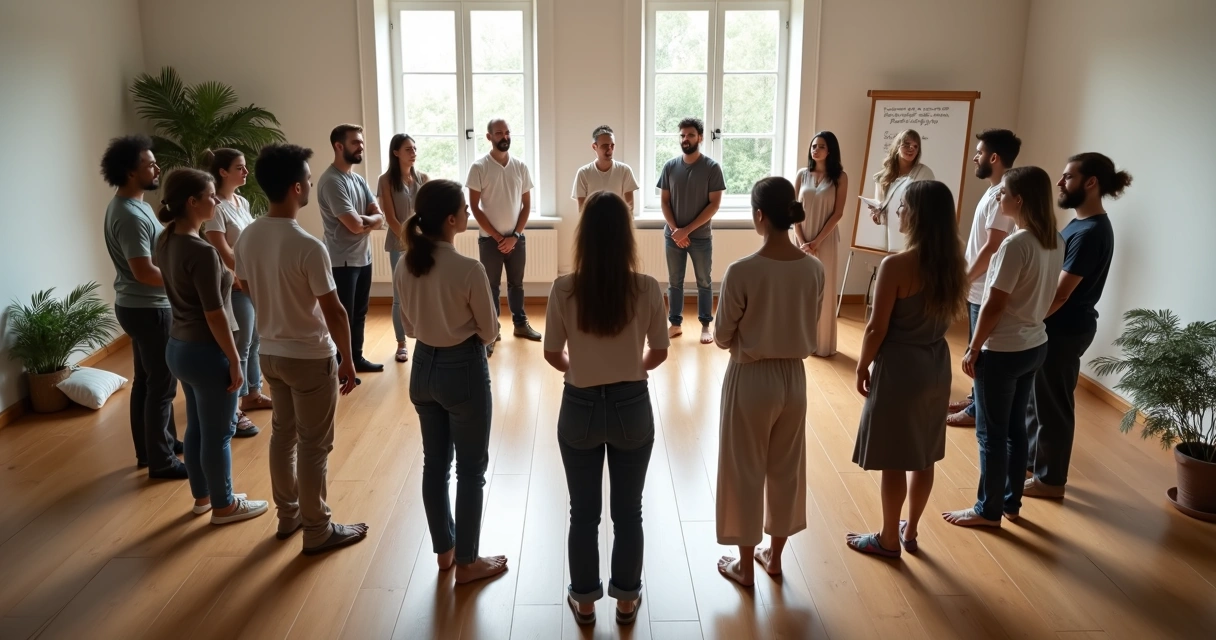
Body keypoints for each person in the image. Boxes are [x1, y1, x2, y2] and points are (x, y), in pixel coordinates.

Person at [235, 143, 369, 554]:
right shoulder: (308, 245)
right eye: (309, 180)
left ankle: (288, 514)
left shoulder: (248, 236)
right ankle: (318, 529)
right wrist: (348, 360)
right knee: (314, 445)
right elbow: (335, 311)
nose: (311, 184)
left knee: (283, 435)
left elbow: (244, 286)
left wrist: (276, 310)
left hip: (270, 354)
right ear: (296, 188)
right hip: (309, 356)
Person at [543, 192, 668, 626]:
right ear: (626, 237)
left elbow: (552, 353)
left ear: (583, 236)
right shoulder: (647, 287)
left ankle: (585, 602)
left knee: (583, 513)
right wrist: (632, 367)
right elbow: (660, 351)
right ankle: (626, 601)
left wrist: (578, 369)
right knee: (629, 511)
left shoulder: (564, 288)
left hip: (579, 406)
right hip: (632, 405)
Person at [395, 179, 508, 584]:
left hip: (423, 367)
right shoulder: (469, 269)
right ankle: (468, 562)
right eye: (464, 208)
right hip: (463, 370)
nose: (467, 212)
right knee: (471, 471)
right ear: (450, 220)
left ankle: (444, 551)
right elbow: (490, 331)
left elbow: (409, 326)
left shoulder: (405, 264)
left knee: (435, 465)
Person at [847, 181, 968, 557]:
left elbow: (876, 328)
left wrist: (862, 366)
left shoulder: (896, 265)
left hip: (900, 368)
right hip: (936, 365)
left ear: (916, 215)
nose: (897, 212)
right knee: (923, 453)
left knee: (894, 458)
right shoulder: (954, 263)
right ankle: (910, 529)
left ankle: (887, 538)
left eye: (902, 206)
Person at [714, 177, 824, 587]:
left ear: (759, 215)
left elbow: (722, 335)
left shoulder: (742, 271)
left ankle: (745, 565)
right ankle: (774, 558)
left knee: (745, 469)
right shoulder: (814, 269)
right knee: (785, 469)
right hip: (794, 378)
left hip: (751, 377)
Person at [943, 166, 1064, 527]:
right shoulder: (1055, 240)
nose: (999, 197)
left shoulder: (1016, 244)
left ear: (1020, 200)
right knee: (1015, 430)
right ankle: (1010, 503)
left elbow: (995, 304)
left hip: (1003, 351)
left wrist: (973, 347)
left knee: (991, 434)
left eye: (1004, 193)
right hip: (1034, 345)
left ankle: (988, 510)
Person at [156, 168, 270, 523]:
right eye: (210, 195)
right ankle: (224, 505)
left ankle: (204, 496)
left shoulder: (166, 239)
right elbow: (215, 313)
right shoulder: (202, 251)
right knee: (220, 432)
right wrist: (234, 359)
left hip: (179, 347)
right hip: (206, 351)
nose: (217, 200)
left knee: (197, 427)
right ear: (192, 202)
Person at [1025, 153, 1131, 499]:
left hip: (1064, 329)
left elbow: (1060, 293)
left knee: (1053, 406)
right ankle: (1032, 464)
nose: (1060, 182)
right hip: (1055, 326)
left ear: (1091, 182)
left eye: (1068, 177)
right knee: (1037, 400)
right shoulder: (1079, 225)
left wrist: (1027, 320)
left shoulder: (1091, 232)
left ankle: (1051, 481)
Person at [99, 135, 184, 479]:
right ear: (130, 171)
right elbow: (144, 271)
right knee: (161, 385)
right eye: (150, 164)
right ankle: (161, 462)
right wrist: (182, 280)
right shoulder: (130, 215)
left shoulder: (136, 205)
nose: (157, 168)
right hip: (149, 309)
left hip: (138, 306)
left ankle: (155, 447)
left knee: (147, 382)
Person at [948, 129, 1022, 428]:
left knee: (980, 352)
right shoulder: (993, 191)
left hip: (984, 287)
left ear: (994, 158)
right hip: (977, 286)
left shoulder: (1003, 193)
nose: (975, 158)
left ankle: (977, 411)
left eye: (979, 152)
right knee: (974, 349)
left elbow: (992, 246)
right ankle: (974, 400)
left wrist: (965, 280)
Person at [203, 148, 267, 438]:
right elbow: (222, 249)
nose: (246, 172)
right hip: (234, 285)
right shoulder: (216, 206)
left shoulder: (241, 201)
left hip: (251, 280)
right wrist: (243, 276)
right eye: (240, 167)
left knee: (255, 339)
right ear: (223, 172)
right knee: (240, 344)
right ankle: (234, 409)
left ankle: (253, 393)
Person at [467, 118, 541, 356]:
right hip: (490, 240)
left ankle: (520, 324)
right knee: (490, 286)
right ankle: (492, 330)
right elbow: (474, 207)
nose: (505, 137)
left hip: (516, 238)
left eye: (507, 132)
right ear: (489, 137)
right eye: (499, 133)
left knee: (517, 284)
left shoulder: (520, 166)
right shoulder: (479, 167)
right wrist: (499, 238)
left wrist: (515, 236)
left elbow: (526, 205)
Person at [317, 123, 386, 373]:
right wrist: (368, 221)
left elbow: (379, 217)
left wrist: (366, 221)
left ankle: (356, 359)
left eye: (361, 142)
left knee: (360, 312)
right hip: (341, 260)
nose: (361, 147)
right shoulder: (331, 181)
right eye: (355, 142)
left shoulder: (357, 179)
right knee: (343, 315)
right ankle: (340, 365)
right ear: (339, 146)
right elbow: (355, 225)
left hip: (363, 257)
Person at [659, 117, 726, 344]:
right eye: (682, 135)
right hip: (673, 237)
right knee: (674, 281)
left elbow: (714, 205)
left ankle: (706, 326)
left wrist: (686, 231)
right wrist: (676, 230)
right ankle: (675, 324)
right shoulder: (670, 166)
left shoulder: (712, 168)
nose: (685, 139)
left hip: (700, 237)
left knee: (704, 281)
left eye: (690, 135)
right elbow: (665, 202)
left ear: (700, 138)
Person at [793, 131, 848, 357]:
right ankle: (799, 342)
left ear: (830, 150)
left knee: (824, 289)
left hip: (826, 240)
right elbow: (793, 210)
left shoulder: (840, 177)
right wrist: (803, 242)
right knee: (801, 289)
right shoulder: (802, 174)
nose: (815, 150)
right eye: (813, 146)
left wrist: (816, 242)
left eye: (821, 146)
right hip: (801, 239)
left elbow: (838, 213)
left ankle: (822, 344)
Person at [377, 133, 428, 364]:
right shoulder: (386, 180)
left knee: (423, 292)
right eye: (408, 149)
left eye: (415, 148)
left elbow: (427, 212)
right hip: (399, 243)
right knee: (400, 296)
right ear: (396, 152)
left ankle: (426, 338)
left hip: (421, 242)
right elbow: (390, 217)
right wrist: (410, 242)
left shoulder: (423, 178)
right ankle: (401, 343)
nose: (413, 152)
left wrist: (421, 241)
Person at [867, 129, 935, 253]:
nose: (911, 149)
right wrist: (876, 215)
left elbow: (927, 209)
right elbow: (880, 208)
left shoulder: (924, 173)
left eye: (915, 146)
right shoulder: (882, 177)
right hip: (887, 240)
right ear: (897, 146)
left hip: (912, 238)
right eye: (907, 144)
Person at [571, 125, 639, 212]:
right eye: (605, 146)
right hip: (593, 220)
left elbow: (629, 207)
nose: (609, 150)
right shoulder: (583, 173)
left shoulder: (624, 170)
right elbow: (582, 209)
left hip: (618, 220)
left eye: (612, 145)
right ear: (594, 147)